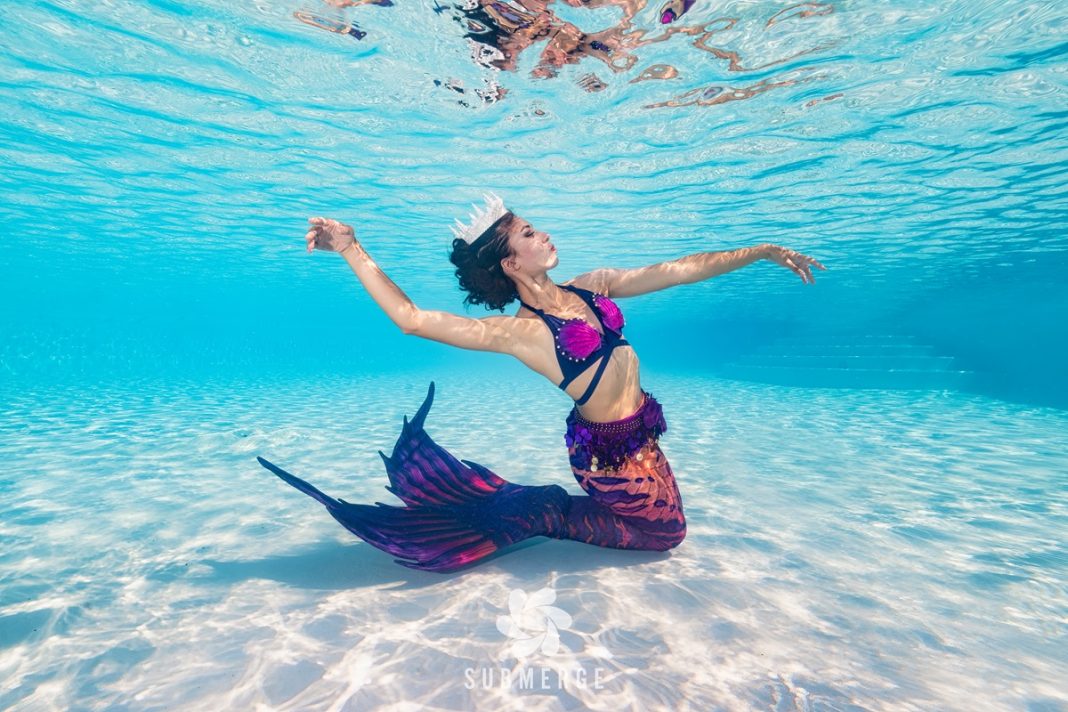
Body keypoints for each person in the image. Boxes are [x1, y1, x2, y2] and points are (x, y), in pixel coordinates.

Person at [257, 194, 826, 573]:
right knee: (666, 537)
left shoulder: (592, 286)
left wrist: (760, 252)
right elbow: (412, 320)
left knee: (664, 531)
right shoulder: (522, 334)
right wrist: (352, 249)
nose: (544, 233)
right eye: (529, 233)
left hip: (640, 436)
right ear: (511, 264)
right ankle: (544, 511)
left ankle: (542, 507)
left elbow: (677, 269)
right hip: (609, 461)